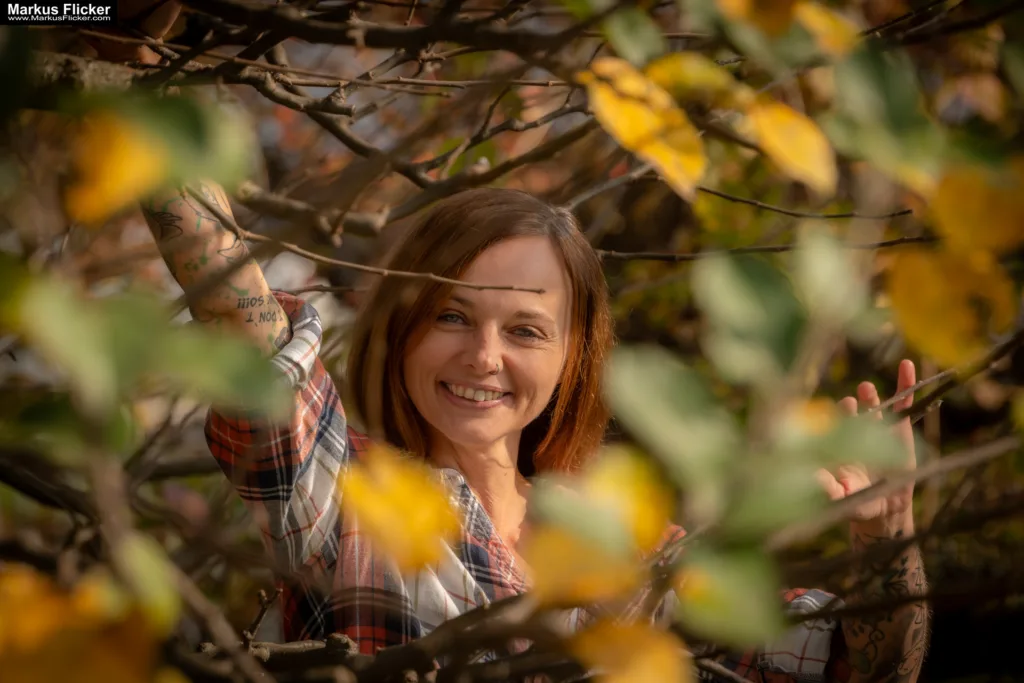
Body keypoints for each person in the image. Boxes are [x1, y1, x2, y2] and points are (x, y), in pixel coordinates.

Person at [92, 5, 928, 681]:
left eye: (525, 329)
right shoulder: (350, 503)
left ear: (573, 359)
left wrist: (890, 534)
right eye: (452, 316)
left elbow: (862, 668)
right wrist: (134, 89)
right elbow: (251, 348)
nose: (483, 356)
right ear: (405, 329)